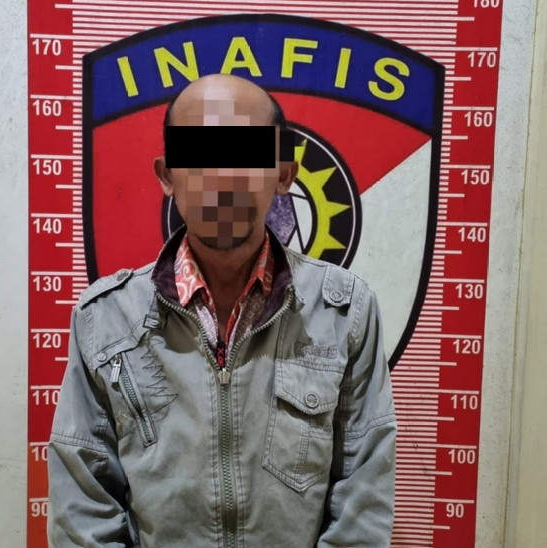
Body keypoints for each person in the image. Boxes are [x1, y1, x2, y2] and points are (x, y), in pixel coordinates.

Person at [47, 73, 396, 548]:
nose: (221, 177)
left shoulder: (345, 311)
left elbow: (363, 499)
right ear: (168, 175)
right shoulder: (104, 318)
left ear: (283, 174)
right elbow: (83, 509)